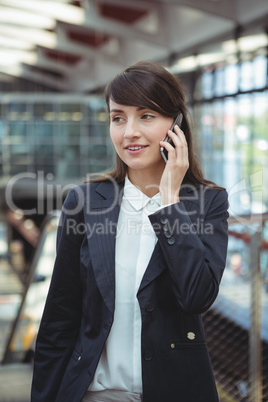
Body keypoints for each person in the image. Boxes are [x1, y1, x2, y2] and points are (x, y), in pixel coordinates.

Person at [31, 61, 229, 402]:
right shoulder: (86, 201)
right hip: (96, 393)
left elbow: (196, 296)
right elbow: (59, 318)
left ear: (176, 124)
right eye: (118, 117)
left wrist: (169, 201)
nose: (129, 132)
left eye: (147, 116)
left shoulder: (208, 203)